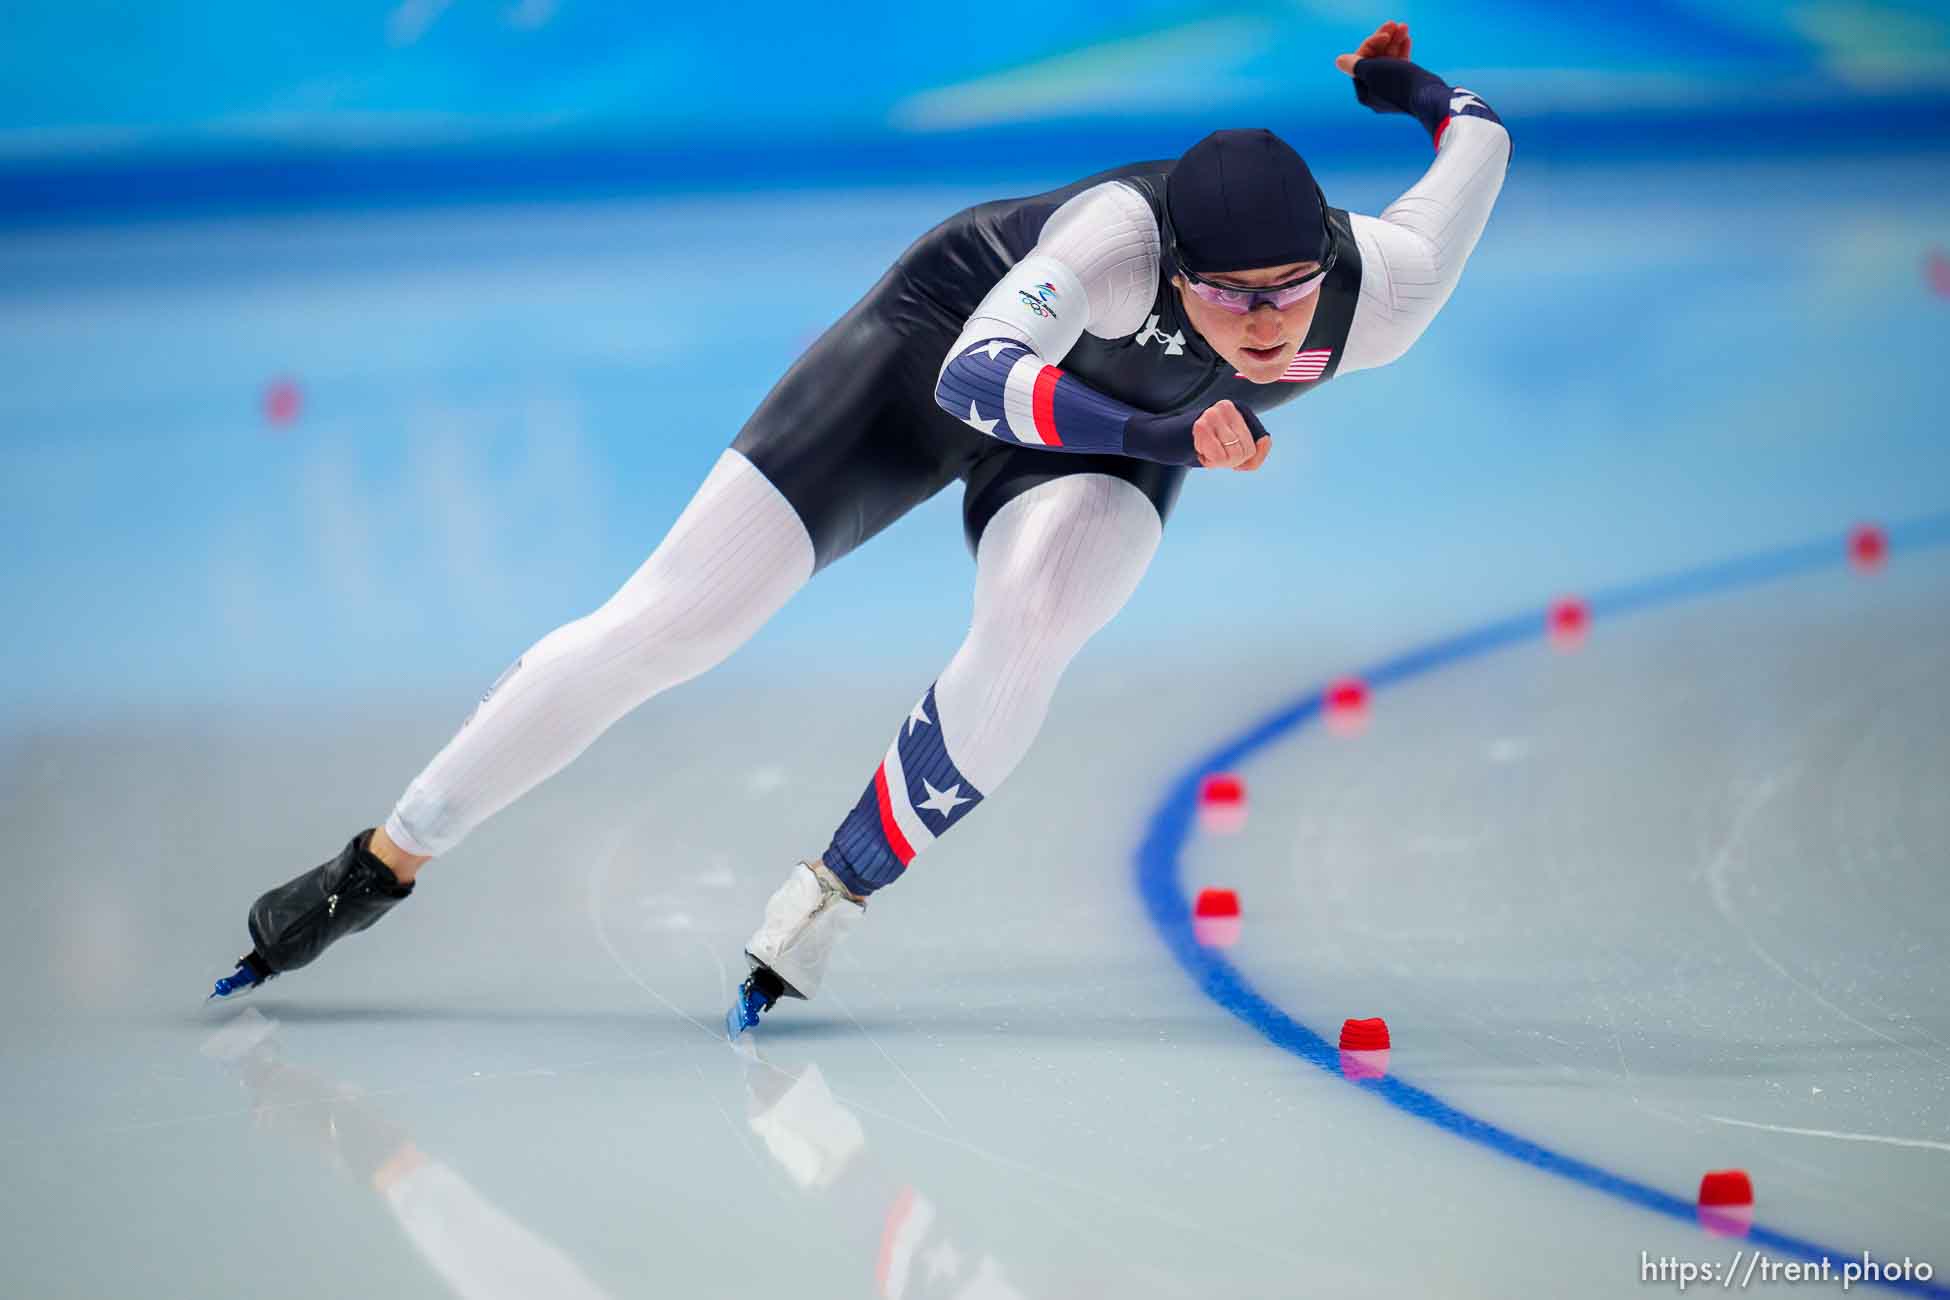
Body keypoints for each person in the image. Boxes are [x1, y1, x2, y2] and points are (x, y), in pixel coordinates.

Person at [210, 22, 1512, 1038]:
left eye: (1287, 293)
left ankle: (830, 895)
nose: (1268, 327)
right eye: (1231, 300)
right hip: (931, 353)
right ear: (1175, 273)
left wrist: (1404, 86)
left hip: (1093, 440)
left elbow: (1479, 140)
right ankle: (378, 866)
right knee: (676, 622)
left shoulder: (1383, 295)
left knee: (1039, 623)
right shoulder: (1114, 239)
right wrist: (1177, 435)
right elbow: (972, 379)